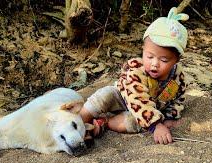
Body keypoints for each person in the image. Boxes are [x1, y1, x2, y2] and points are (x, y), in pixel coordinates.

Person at [80, 7, 189, 145]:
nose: (154, 64)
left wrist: (170, 116)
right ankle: (79, 119)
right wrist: (156, 125)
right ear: (143, 50)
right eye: (149, 56)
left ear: (176, 60)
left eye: (164, 60)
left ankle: (104, 123)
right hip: (123, 97)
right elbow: (137, 98)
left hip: (147, 108)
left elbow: (178, 99)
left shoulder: (177, 78)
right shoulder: (137, 70)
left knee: (134, 123)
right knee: (104, 95)